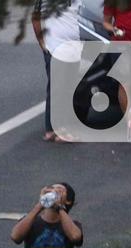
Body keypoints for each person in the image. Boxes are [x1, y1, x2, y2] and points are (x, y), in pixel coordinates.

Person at [34, 0, 86, 142]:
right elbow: (35, 17)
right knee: (61, 88)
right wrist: (42, 42)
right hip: (54, 47)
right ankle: (61, 130)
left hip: (72, 47)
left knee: (61, 88)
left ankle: (51, 129)